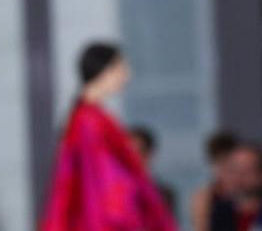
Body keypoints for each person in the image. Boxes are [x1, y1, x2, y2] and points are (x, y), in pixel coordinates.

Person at [39, 41, 178, 230]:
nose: (127, 75)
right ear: (104, 71)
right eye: (122, 67)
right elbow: (106, 187)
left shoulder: (86, 118)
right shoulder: (90, 122)